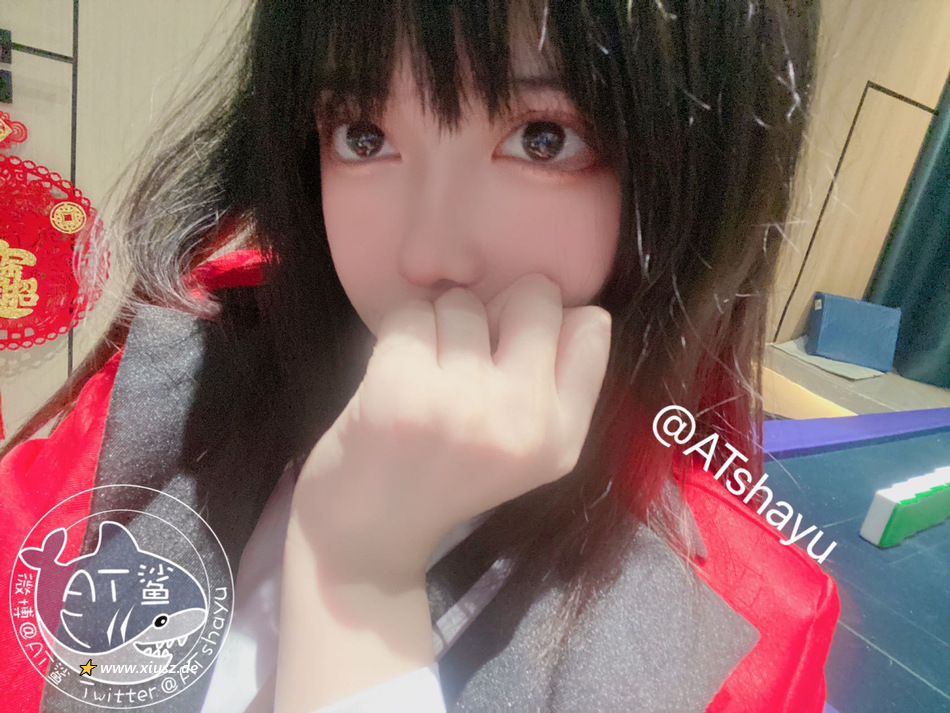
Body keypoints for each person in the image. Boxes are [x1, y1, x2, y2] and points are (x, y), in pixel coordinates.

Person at [1, 0, 829, 710]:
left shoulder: (739, 628)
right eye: (363, 135)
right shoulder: (186, 363)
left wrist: (357, 579)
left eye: (543, 138)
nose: (429, 254)